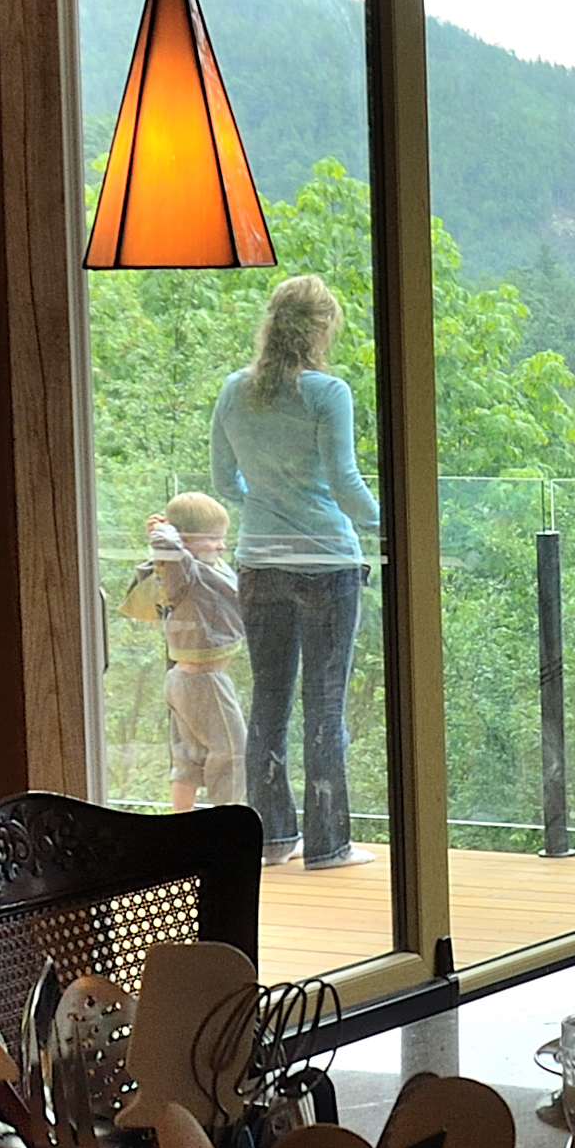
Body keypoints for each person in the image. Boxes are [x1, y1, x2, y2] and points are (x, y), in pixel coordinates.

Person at [210, 274, 382, 870]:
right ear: (321, 329)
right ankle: (329, 845)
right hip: (325, 563)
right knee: (324, 705)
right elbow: (344, 483)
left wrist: (267, 503)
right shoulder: (327, 393)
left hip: (259, 561)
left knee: (268, 702)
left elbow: (223, 481)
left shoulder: (233, 391)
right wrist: (392, 522)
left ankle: (272, 839)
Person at [114, 493, 248, 815]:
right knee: (233, 752)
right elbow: (168, 548)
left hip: (183, 679)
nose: (221, 546)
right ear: (184, 540)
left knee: (187, 757)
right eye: (212, 538)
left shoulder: (205, 567)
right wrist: (164, 530)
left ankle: (180, 822)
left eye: (223, 538)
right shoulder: (183, 572)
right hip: (205, 680)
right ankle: (227, 827)